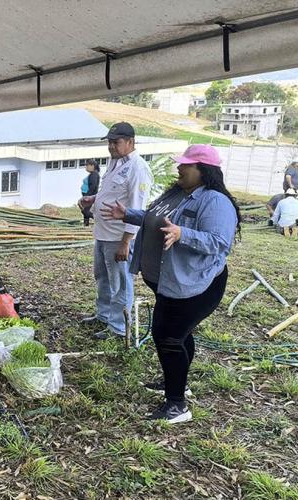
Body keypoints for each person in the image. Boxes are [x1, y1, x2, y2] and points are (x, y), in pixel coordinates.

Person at [100, 144, 240, 423]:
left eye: (186, 165)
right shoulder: (177, 193)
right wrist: (128, 214)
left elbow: (220, 242)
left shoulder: (214, 201)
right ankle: (177, 383)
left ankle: (177, 405)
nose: (180, 168)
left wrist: (182, 234)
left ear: (203, 170)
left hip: (195, 285)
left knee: (168, 337)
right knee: (180, 334)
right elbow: (157, 219)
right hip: (168, 281)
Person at [79, 123, 152, 339]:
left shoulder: (138, 168)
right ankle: (104, 315)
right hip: (103, 233)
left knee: (120, 283)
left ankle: (119, 327)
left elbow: (137, 207)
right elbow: (112, 192)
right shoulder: (115, 162)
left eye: (116, 142)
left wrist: (126, 242)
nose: (111, 146)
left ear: (130, 142)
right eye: (109, 142)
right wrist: (94, 199)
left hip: (119, 237)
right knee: (102, 277)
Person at [78, 159, 101, 227]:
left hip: (89, 195)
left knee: (85, 211)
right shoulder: (92, 174)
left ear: (92, 166)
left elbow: (93, 186)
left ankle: (98, 220)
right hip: (87, 194)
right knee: (85, 210)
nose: (86, 167)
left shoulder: (94, 174)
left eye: (87, 165)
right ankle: (86, 224)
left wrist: (87, 196)